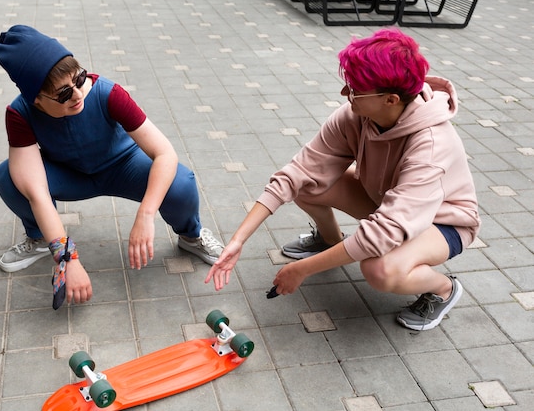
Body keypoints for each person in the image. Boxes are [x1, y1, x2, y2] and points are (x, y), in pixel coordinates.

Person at [205, 28, 480, 331]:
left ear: (390, 99)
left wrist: (301, 270)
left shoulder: (431, 145)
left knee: (379, 268)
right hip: (386, 201)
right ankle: (329, 241)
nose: (345, 94)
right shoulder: (356, 114)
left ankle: (443, 289)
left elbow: (381, 234)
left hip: (443, 222)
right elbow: (298, 171)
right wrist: (238, 240)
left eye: (356, 89)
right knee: (309, 183)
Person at [0, 25, 223, 309]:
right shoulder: (19, 113)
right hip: (68, 173)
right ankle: (41, 238)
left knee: (180, 181)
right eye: (63, 94)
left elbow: (164, 153)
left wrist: (146, 214)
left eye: (79, 79)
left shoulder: (106, 92)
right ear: (35, 98)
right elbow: (37, 192)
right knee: (8, 177)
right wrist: (66, 258)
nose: (78, 95)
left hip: (122, 165)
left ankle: (191, 235)